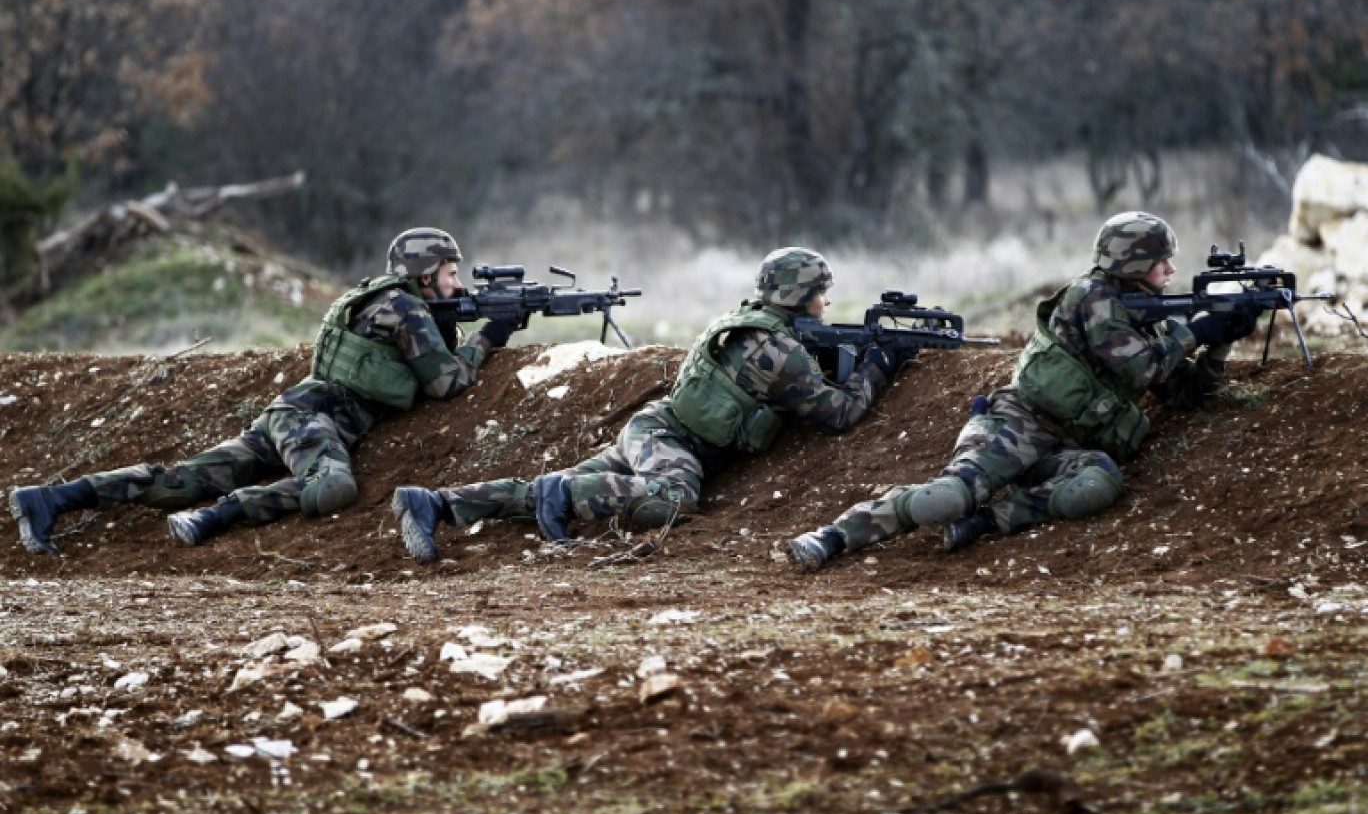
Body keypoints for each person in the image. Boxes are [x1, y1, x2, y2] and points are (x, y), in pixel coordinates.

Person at [787, 211, 1259, 570]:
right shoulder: (1090, 297)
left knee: (1098, 484)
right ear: (1134, 263)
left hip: (1071, 447)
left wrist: (1219, 343)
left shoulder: (1152, 323)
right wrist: (1197, 330)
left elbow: (1184, 393)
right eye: (1162, 261)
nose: (1172, 268)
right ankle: (833, 536)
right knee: (947, 499)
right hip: (1018, 424)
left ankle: (990, 522)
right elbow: (1141, 369)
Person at [10, 227, 517, 554]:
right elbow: (446, 382)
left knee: (179, 480)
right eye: (451, 274)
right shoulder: (405, 309)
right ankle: (218, 514)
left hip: (291, 412)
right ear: (425, 276)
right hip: (312, 421)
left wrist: (468, 325)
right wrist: (492, 335)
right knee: (333, 487)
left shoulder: (386, 301)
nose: (457, 284)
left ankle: (52, 498)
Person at [392, 246, 907, 563]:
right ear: (798, 296)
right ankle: (561, 496)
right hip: (668, 441)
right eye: (820, 293)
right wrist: (879, 365)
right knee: (673, 498)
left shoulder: (747, 323)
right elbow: (838, 415)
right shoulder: (779, 351)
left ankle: (435, 503)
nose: (826, 303)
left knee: (552, 492)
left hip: (652, 428)